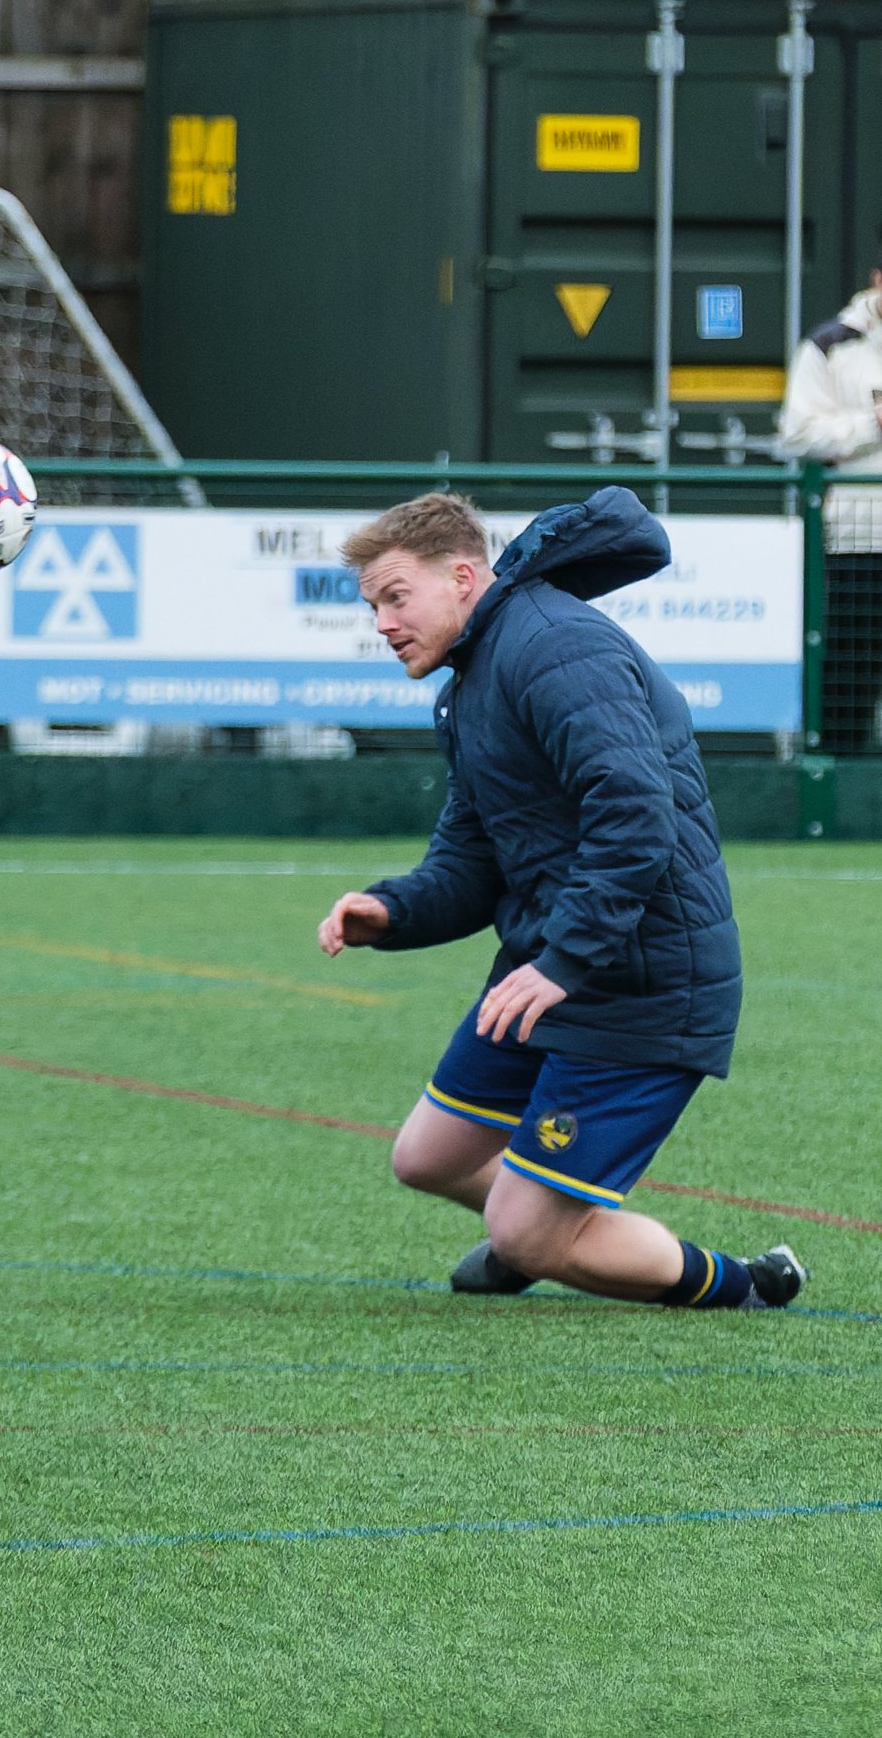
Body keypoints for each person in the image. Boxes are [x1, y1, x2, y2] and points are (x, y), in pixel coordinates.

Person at [316, 488, 806, 1312]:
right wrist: (393, 912)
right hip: (553, 968)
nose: (383, 624)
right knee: (426, 1158)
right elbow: (472, 859)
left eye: (396, 597)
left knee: (521, 1235)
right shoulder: (474, 681)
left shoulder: (554, 646)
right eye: (373, 607)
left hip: (643, 983)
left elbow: (636, 814)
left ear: (463, 577)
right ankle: (553, 1234)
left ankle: (744, 1283)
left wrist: (564, 962)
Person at [780, 275, 882, 754]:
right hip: (861, 540)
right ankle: (837, 783)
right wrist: (873, 423)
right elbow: (797, 436)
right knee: (851, 677)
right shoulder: (830, 344)